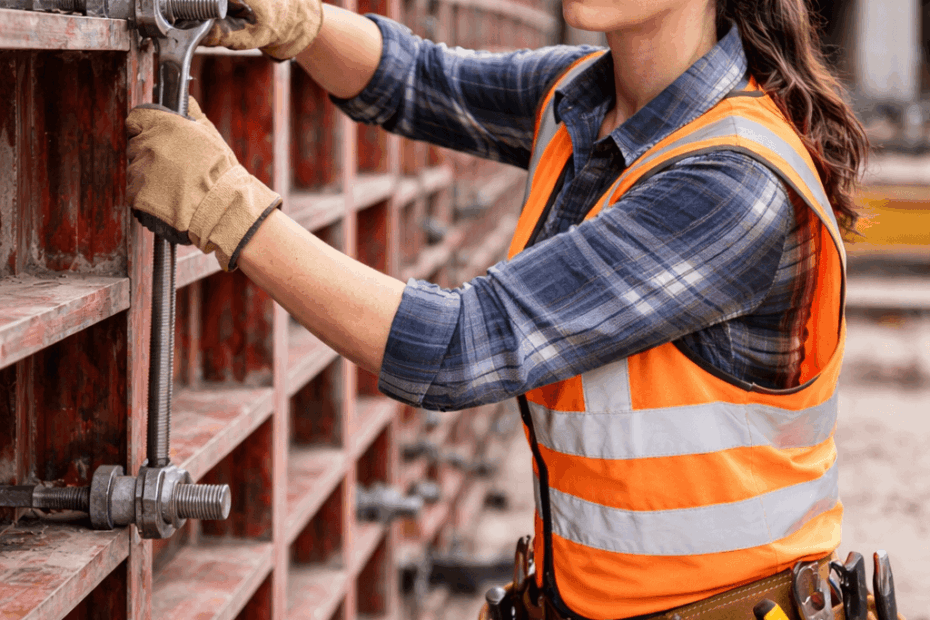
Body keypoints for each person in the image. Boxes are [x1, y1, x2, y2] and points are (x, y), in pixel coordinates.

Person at [125, 0, 870, 617]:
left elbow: (457, 348)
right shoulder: (587, 98)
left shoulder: (728, 184)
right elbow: (419, 79)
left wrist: (227, 210)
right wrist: (300, 21)